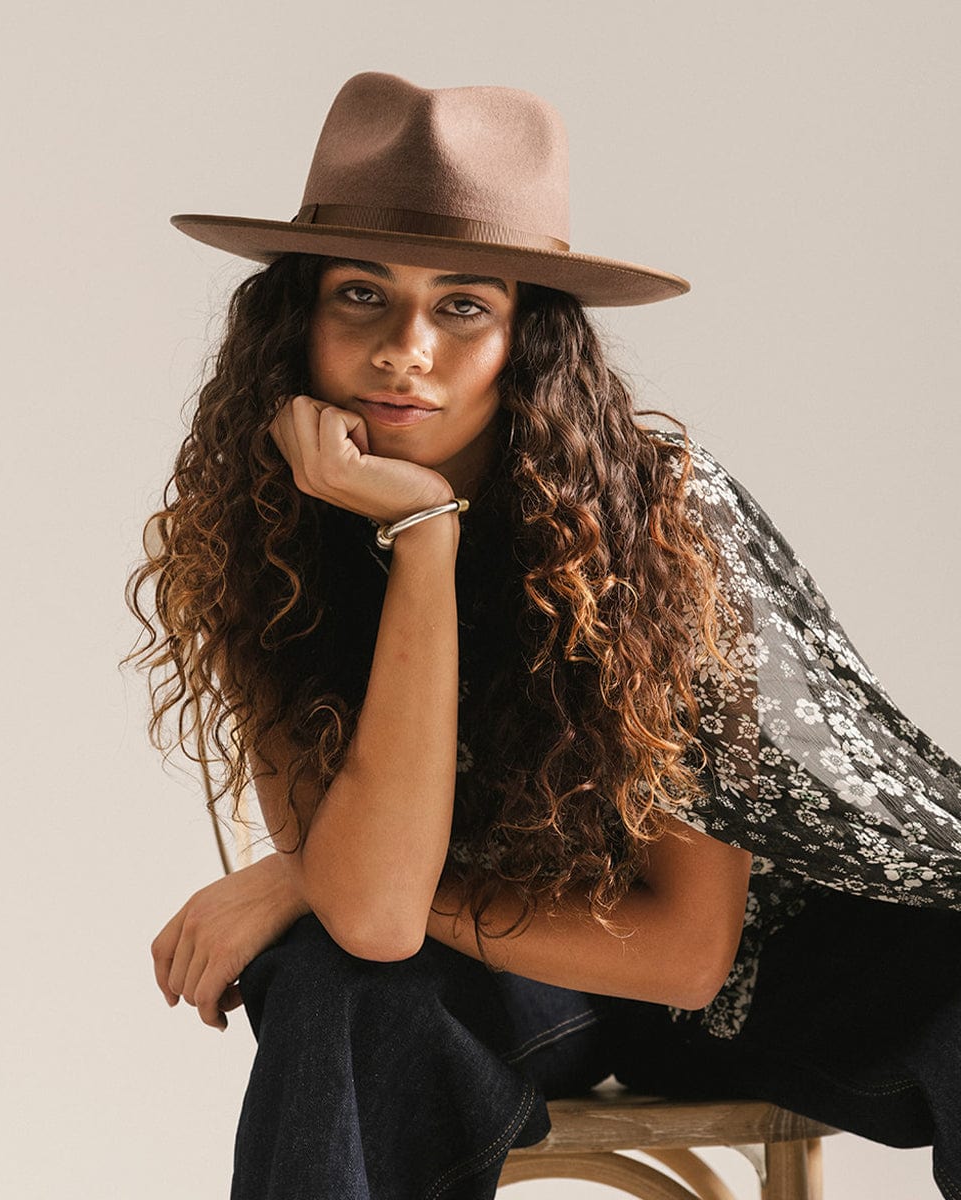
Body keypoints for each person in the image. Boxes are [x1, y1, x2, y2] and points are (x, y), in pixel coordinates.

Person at [126, 72, 961, 1199]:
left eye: (461, 305)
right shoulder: (267, 540)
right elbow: (369, 923)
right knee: (336, 980)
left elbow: (684, 949)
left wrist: (305, 876)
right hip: (505, 981)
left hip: (751, 982)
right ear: (297, 319)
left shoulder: (660, 522)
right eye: (360, 295)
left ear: (529, 335)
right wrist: (423, 540)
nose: (404, 349)